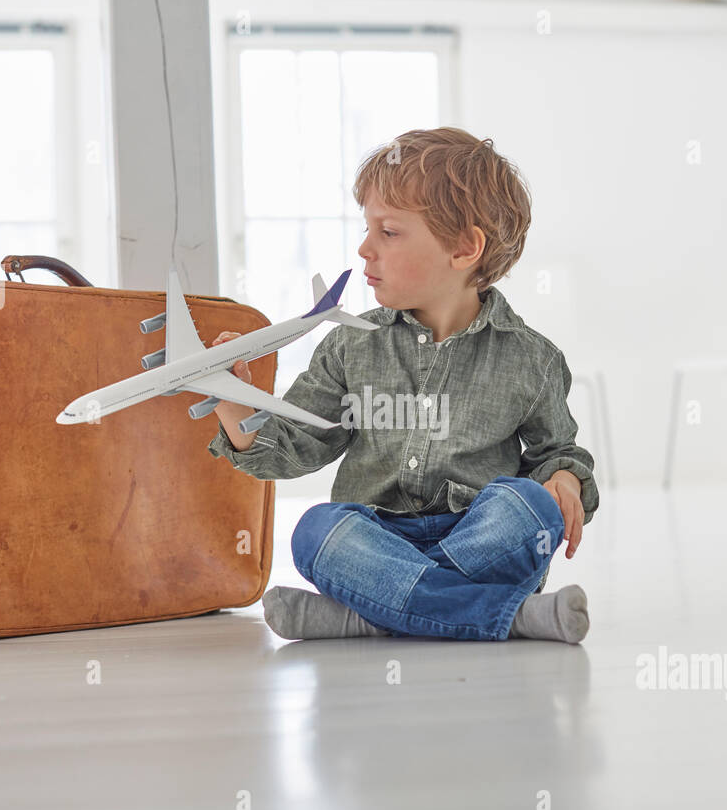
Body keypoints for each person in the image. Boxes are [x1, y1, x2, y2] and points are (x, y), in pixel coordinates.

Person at [206, 127, 598, 643]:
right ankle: (509, 615)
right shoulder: (350, 346)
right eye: (367, 228)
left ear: (464, 248)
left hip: (475, 538)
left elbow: (557, 452)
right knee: (316, 532)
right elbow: (297, 448)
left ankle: (369, 612)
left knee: (530, 508)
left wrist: (565, 479)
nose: (365, 248)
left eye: (388, 232)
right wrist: (235, 405)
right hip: (378, 536)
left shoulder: (533, 359)